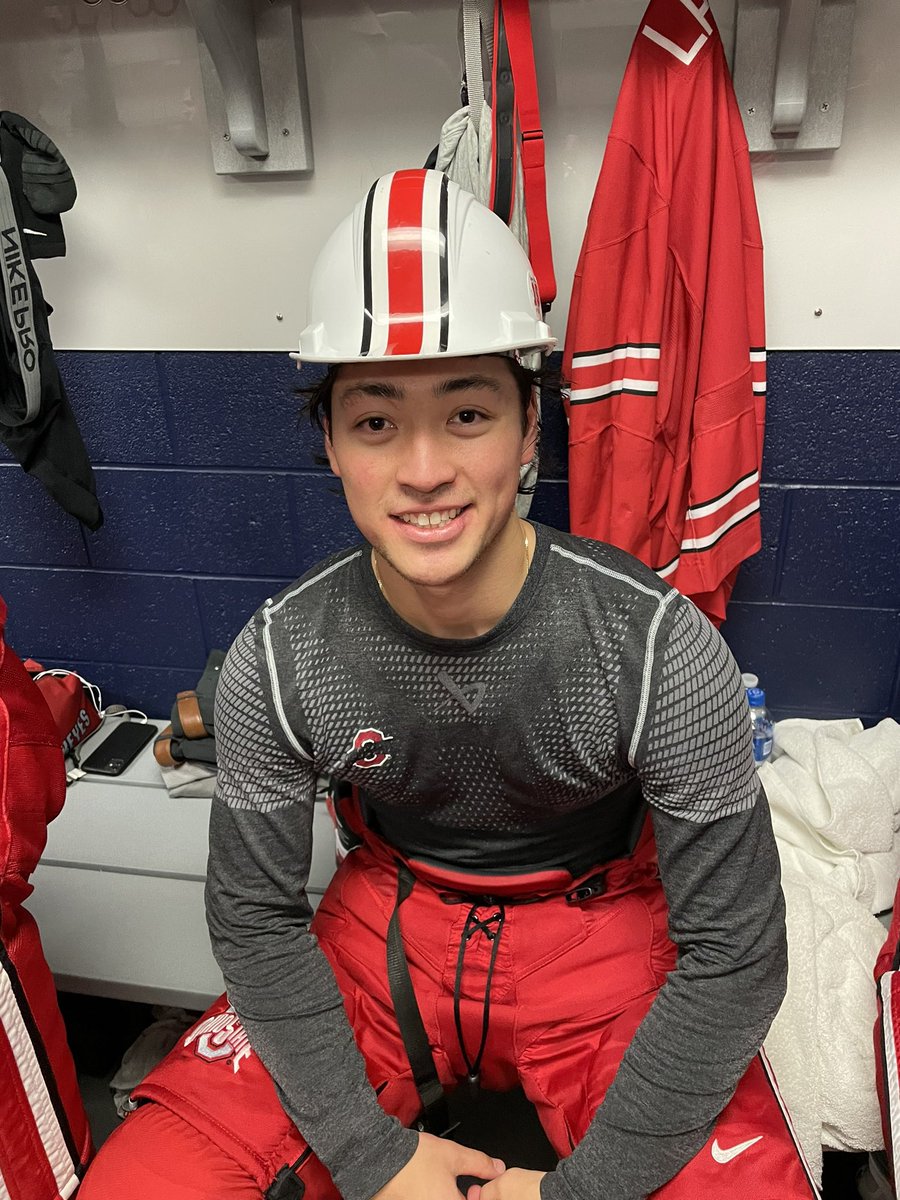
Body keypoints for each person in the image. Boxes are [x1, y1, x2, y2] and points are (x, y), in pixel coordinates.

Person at [80, 169, 819, 1200]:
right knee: (146, 1184)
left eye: (466, 414)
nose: (424, 469)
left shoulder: (656, 644)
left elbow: (735, 956)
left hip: (601, 938)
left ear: (529, 429)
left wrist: (582, 1193)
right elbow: (255, 922)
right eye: (376, 423)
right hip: (386, 933)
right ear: (330, 445)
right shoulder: (283, 655)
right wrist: (371, 1155)